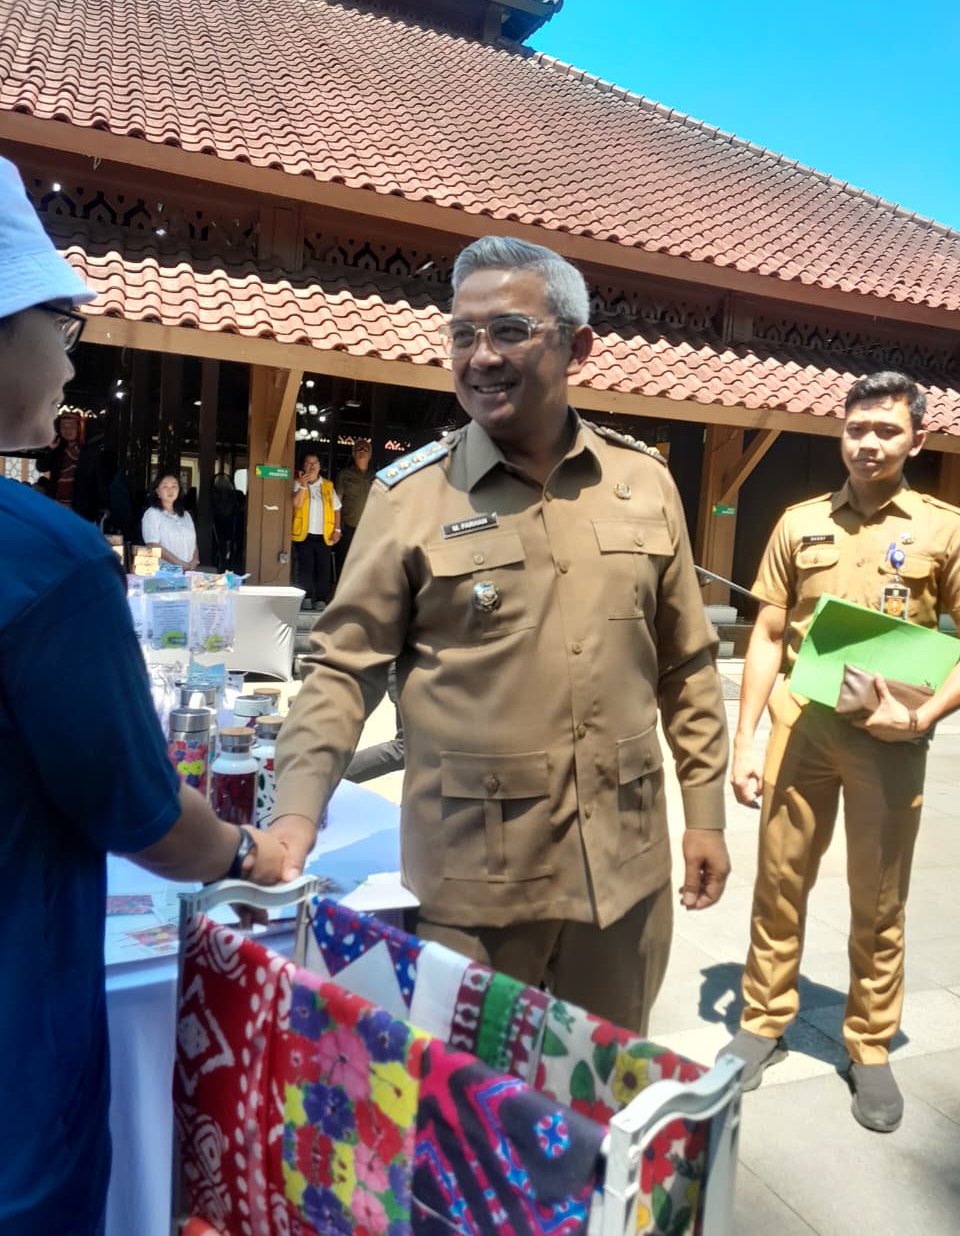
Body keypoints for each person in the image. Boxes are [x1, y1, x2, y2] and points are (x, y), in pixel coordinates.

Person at [272, 235, 730, 1033]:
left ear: (577, 345)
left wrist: (707, 813)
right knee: (471, 1133)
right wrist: (294, 816)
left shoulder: (643, 485)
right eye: (461, 334)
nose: (479, 356)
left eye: (509, 331)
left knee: (603, 1112)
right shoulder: (409, 498)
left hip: (622, 886)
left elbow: (687, 665)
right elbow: (344, 669)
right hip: (472, 896)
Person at [0, 154, 301, 1234]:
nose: (71, 367)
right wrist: (247, 853)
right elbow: (143, 814)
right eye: (64, 331)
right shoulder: (49, 559)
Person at [719, 370, 960, 1133]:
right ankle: (763, 1020)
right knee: (780, 882)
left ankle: (870, 1043)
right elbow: (764, 633)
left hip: (889, 738)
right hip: (803, 723)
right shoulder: (798, 523)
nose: (869, 442)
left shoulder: (942, 529)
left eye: (887, 430)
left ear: (917, 439)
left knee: (879, 899)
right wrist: (744, 742)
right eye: (858, 428)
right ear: (840, 432)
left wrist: (924, 718)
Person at [291, 451, 341, 609]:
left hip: (324, 535)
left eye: (315, 463)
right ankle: (306, 597)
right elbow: (297, 504)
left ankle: (320, 599)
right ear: (303, 466)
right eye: (308, 463)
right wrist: (304, 487)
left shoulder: (327, 486)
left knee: (323, 568)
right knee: (306, 568)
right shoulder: (297, 483)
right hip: (304, 534)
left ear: (320, 467)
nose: (312, 466)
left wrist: (337, 529)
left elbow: (337, 508)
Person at [141, 469, 199, 569]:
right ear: (157, 491)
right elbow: (153, 545)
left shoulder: (186, 515)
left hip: (190, 571)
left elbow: (194, 543)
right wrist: (180, 564)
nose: (170, 490)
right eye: (165, 486)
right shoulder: (152, 514)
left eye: (174, 486)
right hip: (165, 573)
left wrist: (194, 561)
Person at [335, 437, 375, 566]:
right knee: (347, 564)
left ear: (370, 454)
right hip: (349, 527)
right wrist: (337, 528)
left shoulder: (376, 475)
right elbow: (337, 503)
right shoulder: (344, 474)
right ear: (353, 453)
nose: (362, 451)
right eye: (358, 449)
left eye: (365, 449)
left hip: (370, 528)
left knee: (368, 565)